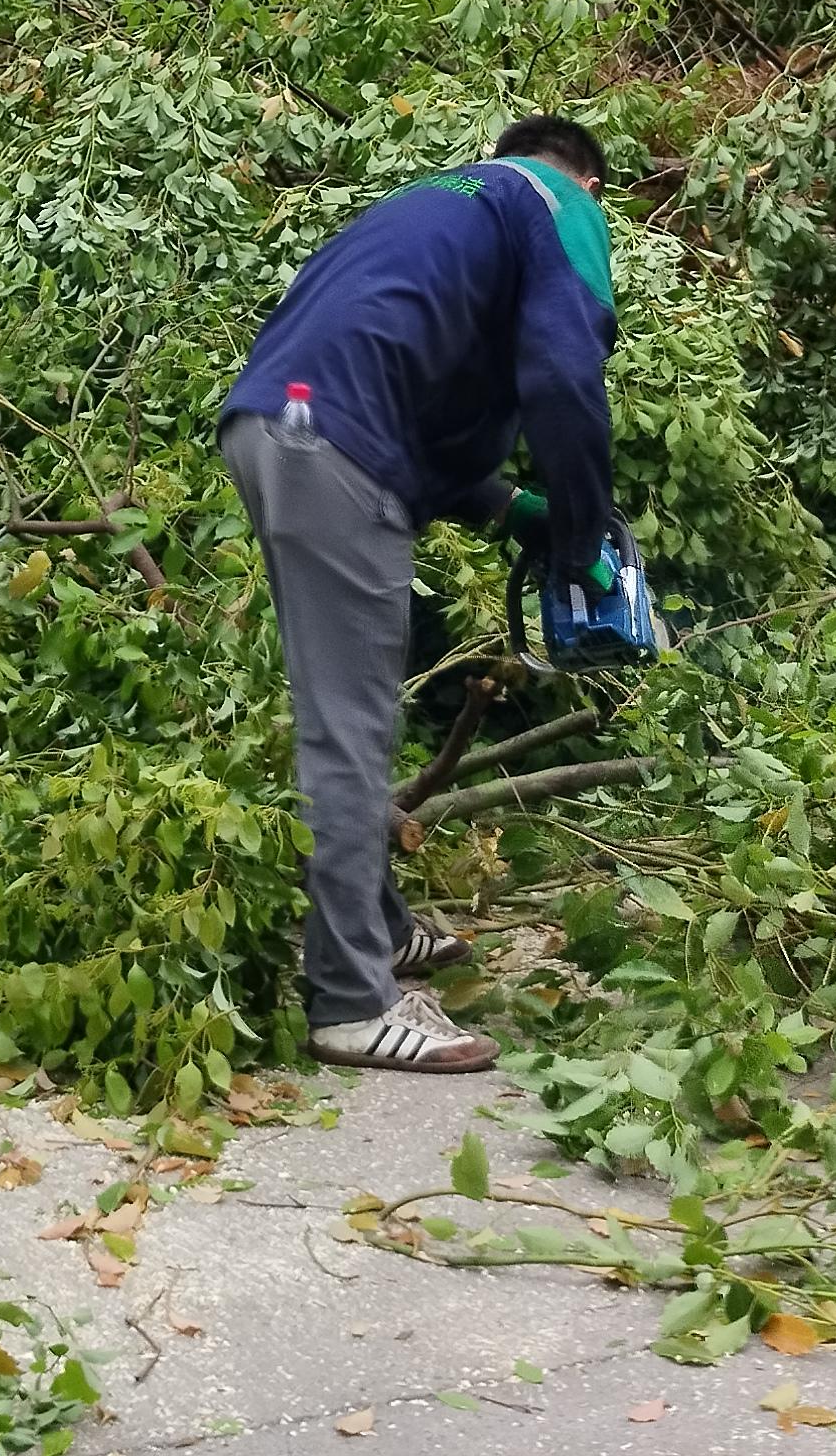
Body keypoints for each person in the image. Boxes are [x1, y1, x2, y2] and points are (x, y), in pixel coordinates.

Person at [220, 116, 620, 1075]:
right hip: (330, 444)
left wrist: (513, 507)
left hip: (280, 424)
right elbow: (567, 374)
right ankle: (353, 1001)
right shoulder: (556, 199)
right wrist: (583, 530)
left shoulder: (436, 204)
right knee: (349, 727)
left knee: (349, 708)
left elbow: (406, 392)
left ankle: (381, 927)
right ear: (588, 182)